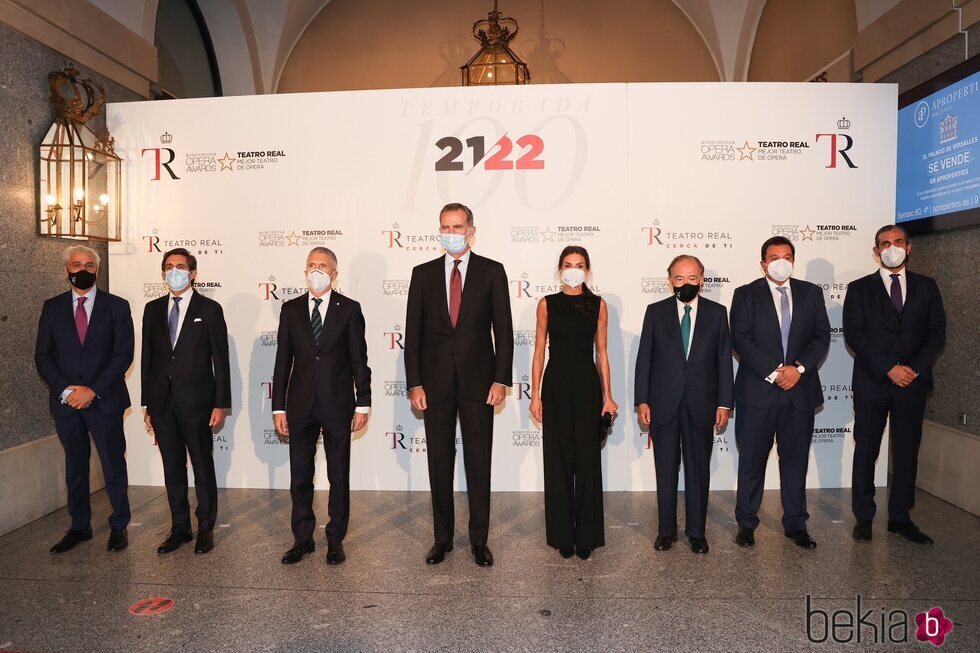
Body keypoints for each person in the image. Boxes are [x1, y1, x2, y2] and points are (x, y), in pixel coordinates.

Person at [405, 202, 514, 567]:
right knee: (438, 462)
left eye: (457, 226)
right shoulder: (422, 274)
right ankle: (442, 539)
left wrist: (501, 379)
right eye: (444, 226)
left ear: (471, 230)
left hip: (479, 384)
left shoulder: (492, 272)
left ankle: (480, 541)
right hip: (434, 386)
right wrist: (415, 384)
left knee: (478, 463)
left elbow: (504, 332)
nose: (451, 232)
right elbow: (413, 336)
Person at [844, 225, 946, 545]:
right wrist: (889, 368)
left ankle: (900, 518)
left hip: (912, 385)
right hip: (873, 383)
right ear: (876, 251)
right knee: (867, 450)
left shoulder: (927, 287)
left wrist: (912, 369)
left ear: (909, 247)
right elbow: (855, 334)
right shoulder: (859, 288)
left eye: (898, 242)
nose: (892, 247)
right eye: (885, 243)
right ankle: (864, 517)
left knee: (906, 452)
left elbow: (936, 334)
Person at [273, 247, 371, 565]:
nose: (316, 270)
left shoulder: (350, 309)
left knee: (337, 475)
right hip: (300, 407)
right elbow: (282, 363)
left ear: (334, 273)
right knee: (300, 476)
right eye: (311, 265)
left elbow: (360, 361)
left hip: (338, 405)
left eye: (323, 266)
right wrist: (278, 408)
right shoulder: (290, 310)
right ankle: (302, 540)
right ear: (305, 270)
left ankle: (335, 540)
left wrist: (363, 404)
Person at [730, 236, 830, 549]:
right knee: (751, 463)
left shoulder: (811, 293)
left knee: (796, 462)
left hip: (799, 391)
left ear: (794, 260)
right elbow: (741, 339)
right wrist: (775, 372)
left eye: (787, 256)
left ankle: (796, 524)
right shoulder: (746, 294)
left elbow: (822, 336)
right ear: (763, 263)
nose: (781, 261)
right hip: (758, 393)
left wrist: (797, 369)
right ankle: (746, 524)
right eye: (774, 257)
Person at [34, 245, 134, 553]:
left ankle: (119, 526)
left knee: (112, 463)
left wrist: (92, 390)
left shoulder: (117, 306)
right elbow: (43, 356)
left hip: (104, 400)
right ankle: (80, 527)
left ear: (97, 270)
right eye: (77, 264)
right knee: (75, 466)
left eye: (89, 265)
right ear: (67, 270)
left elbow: (122, 355)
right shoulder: (52, 308)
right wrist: (66, 391)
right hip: (66, 404)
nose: (83, 269)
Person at [634, 255, 733, 555]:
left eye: (692, 278)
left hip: (702, 404)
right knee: (665, 470)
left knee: (698, 470)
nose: (686, 283)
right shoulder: (656, 312)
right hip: (663, 403)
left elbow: (723, 361)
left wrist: (724, 403)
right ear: (670, 280)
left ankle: (696, 532)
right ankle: (666, 531)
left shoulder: (717, 313)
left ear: (702, 280)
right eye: (679, 278)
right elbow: (645, 359)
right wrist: (641, 400)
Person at [529, 247, 617, 560]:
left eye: (579, 265)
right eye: (568, 265)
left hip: (587, 386)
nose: (573, 270)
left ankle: (587, 538)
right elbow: (539, 351)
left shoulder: (598, 304)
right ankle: (562, 536)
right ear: (559, 269)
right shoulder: (547, 304)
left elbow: (602, 353)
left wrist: (608, 396)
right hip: (554, 386)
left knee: (588, 461)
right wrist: (535, 395)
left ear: (588, 271)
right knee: (558, 462)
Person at [141, 248, 230, 554]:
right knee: (172, 468)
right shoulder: (152, 310)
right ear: (162, 272)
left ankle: (205, 527)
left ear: (193, 273)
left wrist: (221, 403)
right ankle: (180, 528)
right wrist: (147, 405)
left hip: (198, 403)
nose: (174, 271)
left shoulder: (210, 309)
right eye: (169, 267)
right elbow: (148, 360)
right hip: (162, 403)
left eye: (180, 267)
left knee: (203, 466)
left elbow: (221, 360)